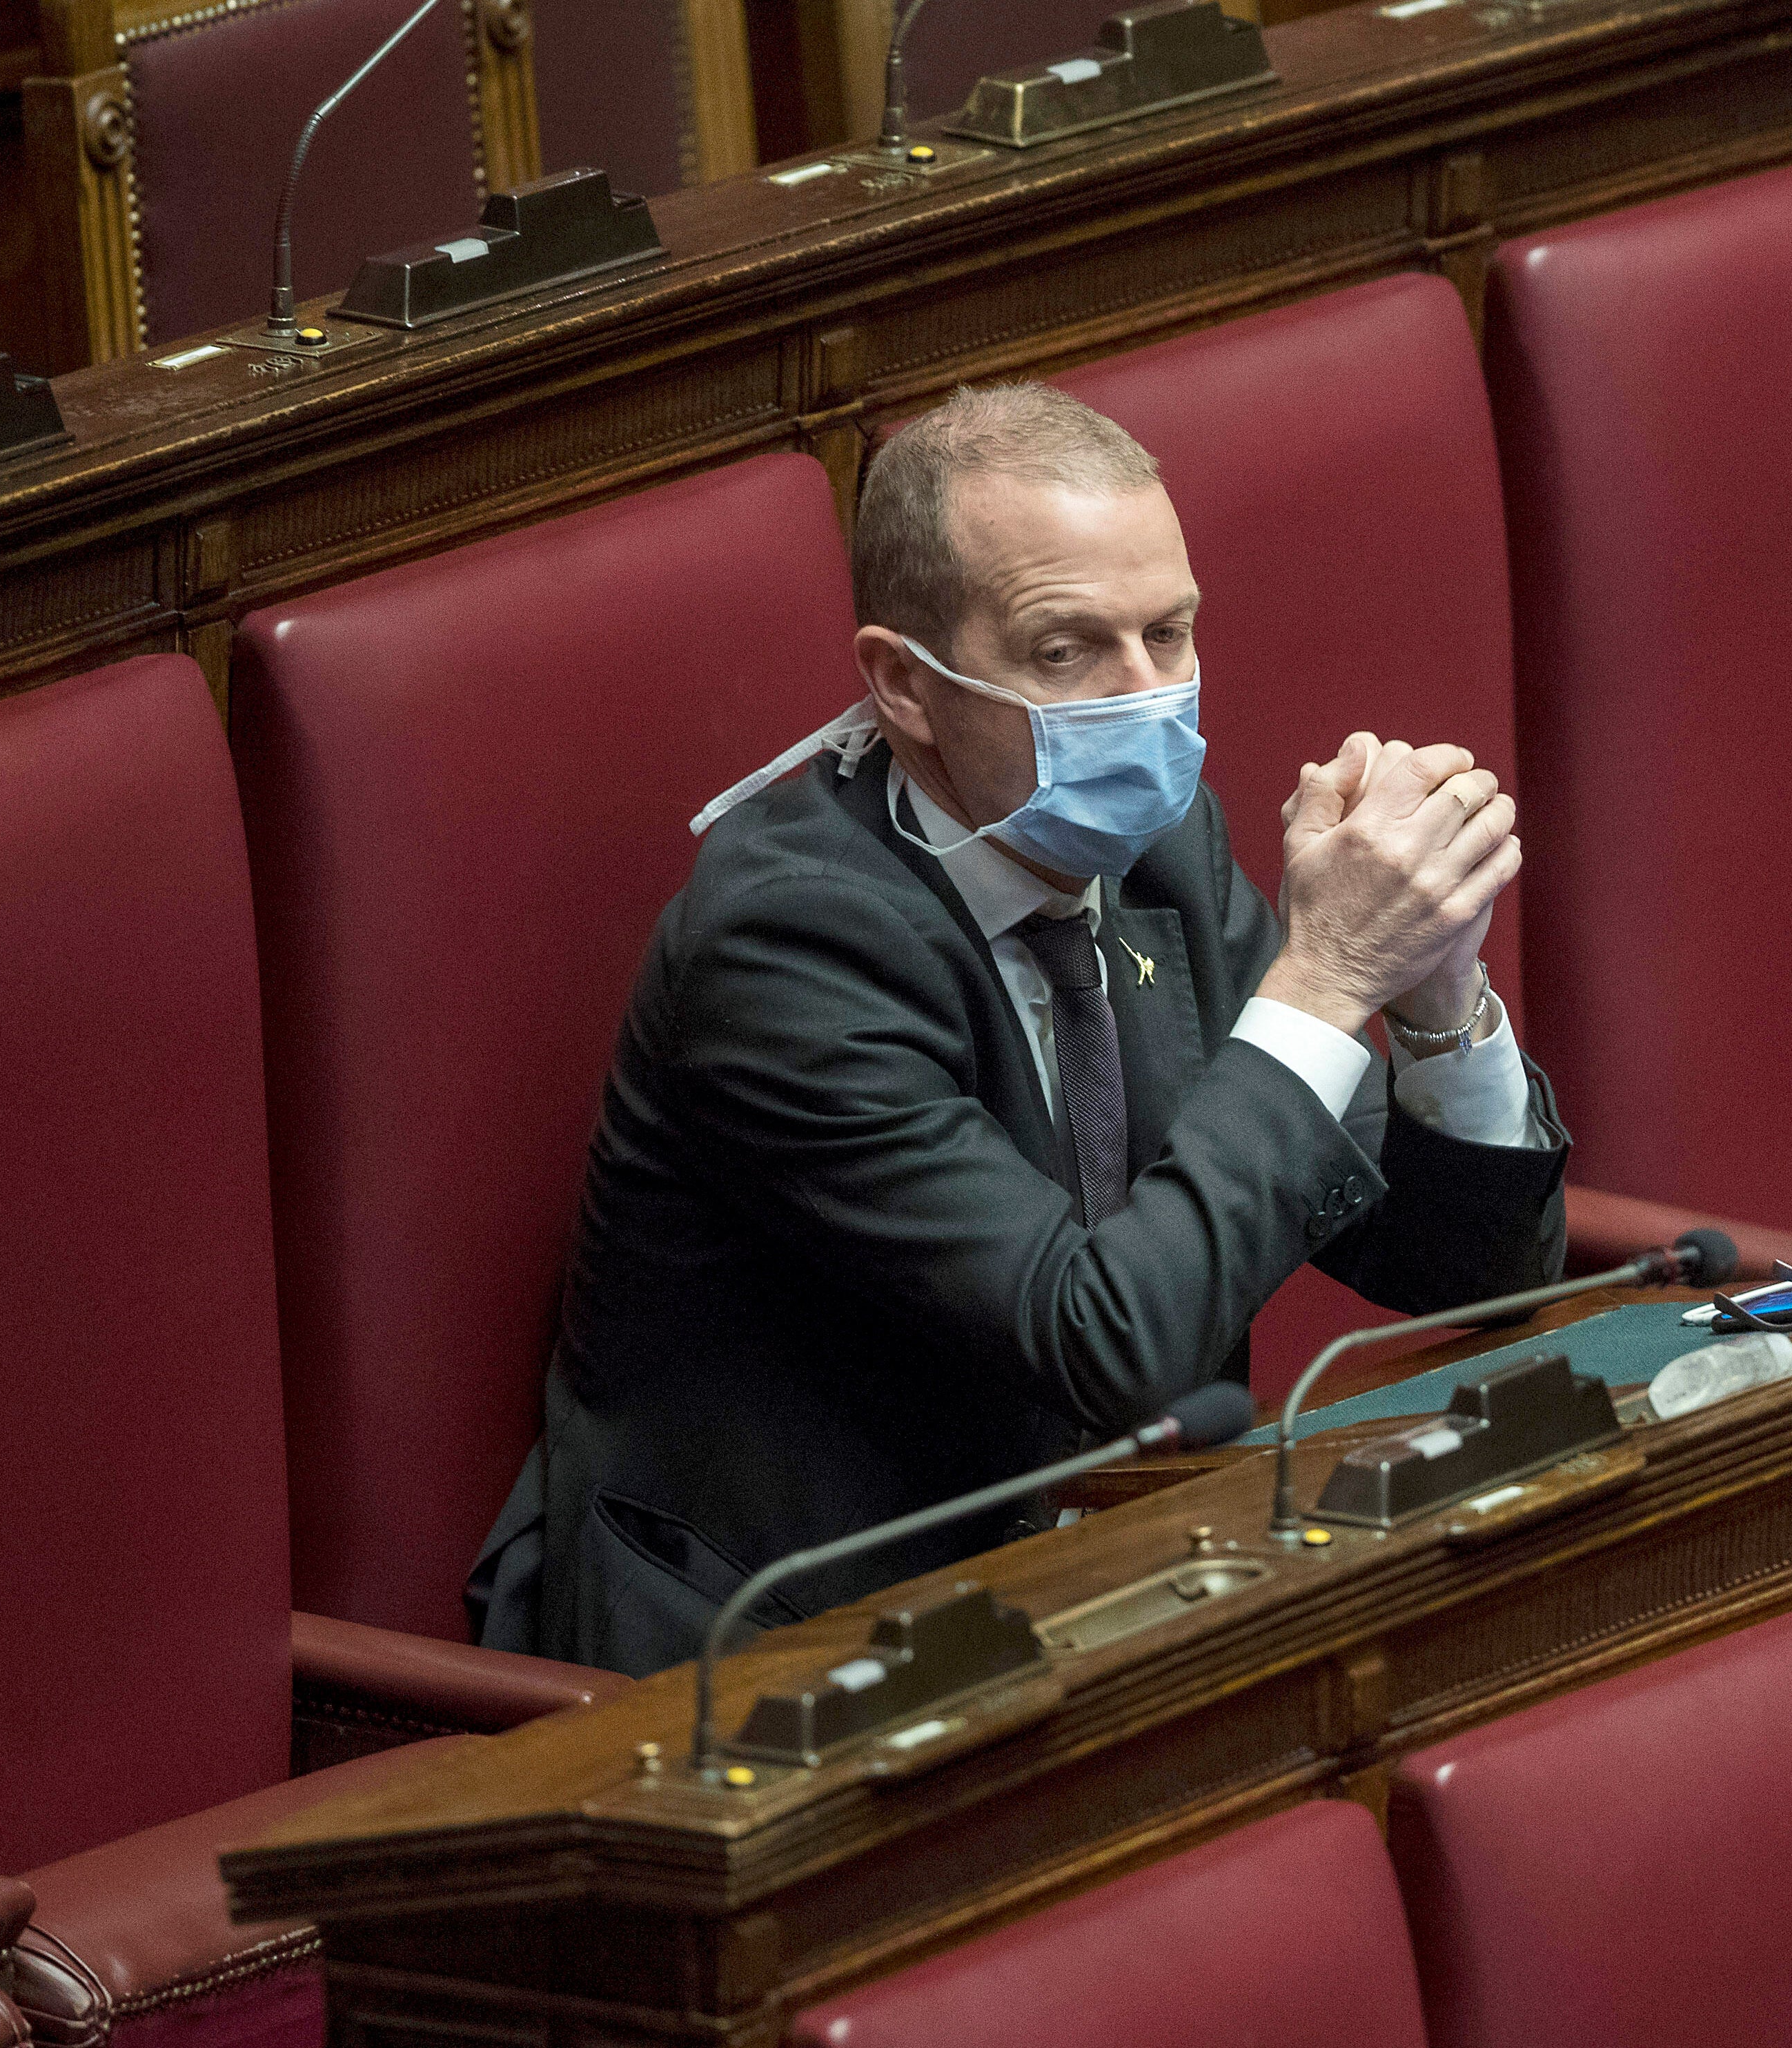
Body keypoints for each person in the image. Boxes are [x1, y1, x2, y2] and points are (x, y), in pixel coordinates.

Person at [471, 384, 1571, 1673]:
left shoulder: (1162, 849)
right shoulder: (789, 950)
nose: (1146, 698)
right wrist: (1328, 979)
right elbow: (1105, 1346)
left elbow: (1472, 1271)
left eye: (1170, 633)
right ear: (905, 685)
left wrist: (1437, 995)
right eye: (1068, 651)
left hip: (1112, 1589)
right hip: (787, 1664)